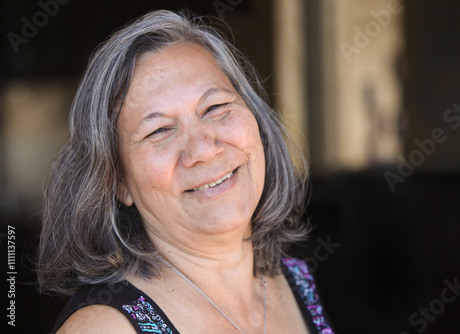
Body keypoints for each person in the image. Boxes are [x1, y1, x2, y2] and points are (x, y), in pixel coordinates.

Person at [38, 10, 333, 334]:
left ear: (257, 121)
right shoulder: (106, 329)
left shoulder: (297, 281)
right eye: (160, 130)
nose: (204, 150)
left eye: (215, 108)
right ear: (119, 181)